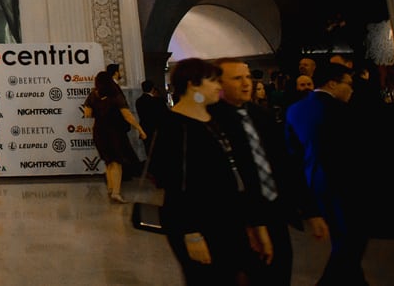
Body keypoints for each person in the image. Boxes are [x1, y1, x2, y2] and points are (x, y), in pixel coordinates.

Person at [150, 58, 271, 285]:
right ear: (193, 84)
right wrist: (191, 232)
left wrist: (253, 223)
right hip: (199, 224)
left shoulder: (211, 119)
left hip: (227, 219)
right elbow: (175, 184)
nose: (218, 86)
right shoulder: (175, 125)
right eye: (212, 81)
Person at [211, 59, 327, 286]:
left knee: (279, 272)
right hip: (238, 218)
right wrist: (250, 222)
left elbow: (284, 164)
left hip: (273, 210)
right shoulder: (211, 121)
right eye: (237, 78)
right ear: (219, 84)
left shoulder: (260, 115)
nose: (246, 84)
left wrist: (311, 210)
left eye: (248, 78)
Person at [286, 62, 370, 285]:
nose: (351, 89)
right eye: (348, 84)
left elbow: (292, 156)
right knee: (350, 244)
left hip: (315, 183)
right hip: (347, 186)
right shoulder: (343, 111)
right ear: (333, 83)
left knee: (344, 243)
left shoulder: (295, 110)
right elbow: (359, 153)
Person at [82, 67, 145, 203]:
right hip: (114, 131)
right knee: (117, 162)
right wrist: (139, 128)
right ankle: (116, 192)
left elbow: (87, 113)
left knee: (108, 161)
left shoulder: (93, 95)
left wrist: (99, 113)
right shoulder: (115, 95)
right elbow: (127, 115)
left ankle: (111, 189)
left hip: (99, 131)